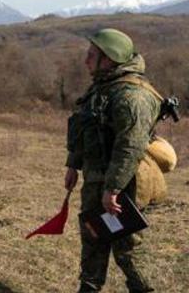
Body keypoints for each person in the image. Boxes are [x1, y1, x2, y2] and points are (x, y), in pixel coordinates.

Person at [64, 28, 159, 292]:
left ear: (108, 59)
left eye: (91, 55)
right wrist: (73, 164)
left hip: (124, 187)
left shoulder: (132, 97)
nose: (85, 60)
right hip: (97, 181)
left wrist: (113, 189)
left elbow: (130, 147)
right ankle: (89, 287)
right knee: (93, 237)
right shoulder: (102, 87)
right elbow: (86, 128)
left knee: (126, 247)